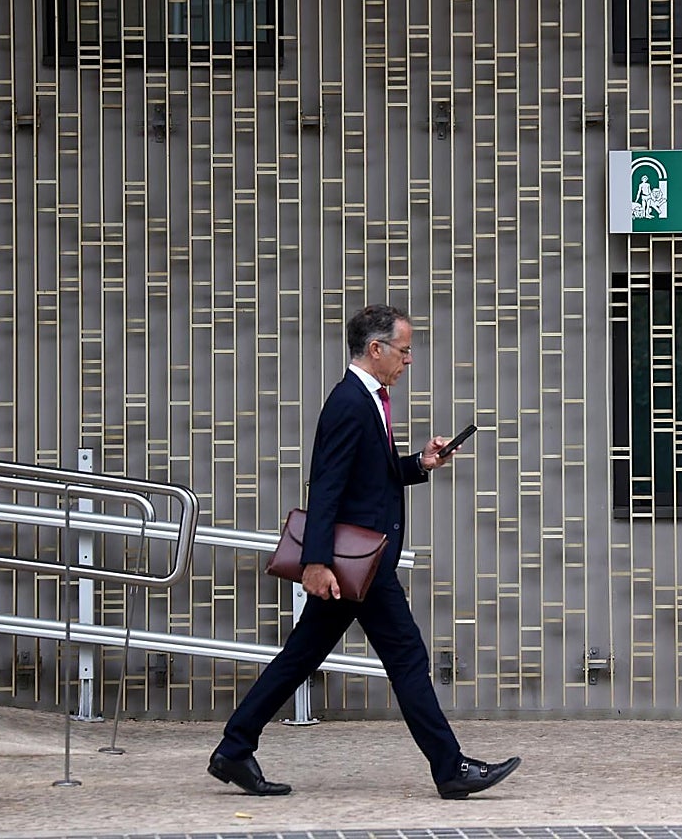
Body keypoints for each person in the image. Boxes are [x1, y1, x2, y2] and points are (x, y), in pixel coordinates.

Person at [208, 303, 521, 800]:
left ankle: (234, 747)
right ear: (376, 349)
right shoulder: (349, 402)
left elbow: (370, 477)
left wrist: (419, 463)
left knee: (301, 655)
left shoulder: (368, 399)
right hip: (358, 565)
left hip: (359, 563)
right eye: (404, 349)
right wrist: (314, 562)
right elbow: (326, 486)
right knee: (407, 657)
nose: (409, 359)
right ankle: (450, 769)